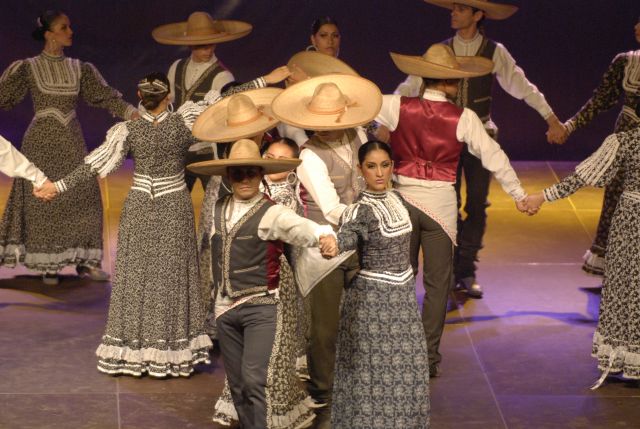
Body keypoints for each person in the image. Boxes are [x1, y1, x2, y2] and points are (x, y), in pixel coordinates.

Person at [34, 69, 279, 377]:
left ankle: (135, 347)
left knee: (137, 276)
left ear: (140, 98)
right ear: (168, 97)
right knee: (171, 275)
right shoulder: (184, 121)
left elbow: (93, 164)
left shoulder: (127, 130)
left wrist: (57, 186)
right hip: (171, 204)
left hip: (140, 206)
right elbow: (224, 99)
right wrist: (264, 79)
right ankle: (171, 349)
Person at [377, 44, 529, 377]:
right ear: (453, 84)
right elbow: (494, 156)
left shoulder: (394, 105)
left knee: (399, 281)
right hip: (440, 209)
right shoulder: (464, 117)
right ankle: (427, 357)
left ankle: (396, 352)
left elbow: (359, 115)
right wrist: (518, 193)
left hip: (401, 203)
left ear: (423, 78)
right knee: (437, 286)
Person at [396, 0, 564, 298]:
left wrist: (551, 118)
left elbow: (522, 86)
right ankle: (446, 266)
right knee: (445, 201)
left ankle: (467, 269)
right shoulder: (441, 50)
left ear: (477, 15)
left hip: (479, 135)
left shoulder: (493, 51)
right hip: (444, 139)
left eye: (460, 9)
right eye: (453, 8)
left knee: (476, 204)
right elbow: (410, 85)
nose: (453, 13)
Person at [188, 139, 337, 429]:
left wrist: (323, 236)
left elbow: (299, 227)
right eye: (239, 173)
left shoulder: (272, 212)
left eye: (252, 173)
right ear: (229, 177)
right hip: (225, 308)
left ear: (260, 175)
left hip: (261, 306)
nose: (245, 180)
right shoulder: (218, 208)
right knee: (239, 385)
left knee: (256, 379)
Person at [271, 73, 382, 428]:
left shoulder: (357, 135)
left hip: (359, 241)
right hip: (325, 246)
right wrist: (372, 216)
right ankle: (323, 389)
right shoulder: (309, 156)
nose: (331, 128)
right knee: (325, 327)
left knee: (360, 320)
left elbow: (367, 175)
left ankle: (355, 382)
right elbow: (332, 208)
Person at [0, 10, 138, 285]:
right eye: (64, 27)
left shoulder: (79, 68)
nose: (70, 31)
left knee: (83, 195)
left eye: (70, 26)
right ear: (49, 34)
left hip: (71, 141)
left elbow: (104, 97)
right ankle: (48, 264)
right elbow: (4, 97)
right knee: (44, 200)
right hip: (40, 142)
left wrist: (131, 112)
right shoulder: (28, 67)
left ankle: (86, 262)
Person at [323, 141, 430, 429]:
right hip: (373, 305)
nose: (379, 173)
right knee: (374, 374)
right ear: (361, 170)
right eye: (372, 166)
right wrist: (335, 244)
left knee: (408, 368)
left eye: (385, 165)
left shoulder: (398, 199)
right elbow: (349, 235)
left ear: (392, 166)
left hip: (403, 299)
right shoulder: (361, 210)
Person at [526, 127, 640, 388]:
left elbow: (582, 178)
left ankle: (626, 356)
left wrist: (541, 197)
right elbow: (584, 175)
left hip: (632, 220)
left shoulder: (626, 141)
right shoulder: (624, 141)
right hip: (631, 222)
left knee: (626, 287)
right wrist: (543, 196)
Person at [548, 16, 640, 276]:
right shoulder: (626, 61)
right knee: (621, 198)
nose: (635, 26)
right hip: (628, 137)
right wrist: (570, 125)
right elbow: (600, 100)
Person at [153, 11, 253, 193]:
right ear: (190, 44)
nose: (209, 50)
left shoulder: (222, 76)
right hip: (179, 150)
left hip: (207, 151)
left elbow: (225, 115)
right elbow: (167, 101)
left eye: (211, 44)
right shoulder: (177, 67)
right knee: (174, 202)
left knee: (215, 203)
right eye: (202, 46)